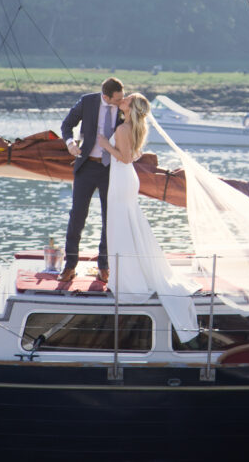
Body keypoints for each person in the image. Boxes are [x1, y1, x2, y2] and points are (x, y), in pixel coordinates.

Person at [98, 93, 199, 342]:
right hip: (126, 179)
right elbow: (132, 156)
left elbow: (123, 157)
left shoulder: (123, 128)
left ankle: (129, 279)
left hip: (122, 179)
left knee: (121, 227)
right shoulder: (134, 127)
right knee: (129, 226)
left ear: (131, 107)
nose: (123, 99)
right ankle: (130, 272)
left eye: (126, 99)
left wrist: (104, 143)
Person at [59, 77, 124, 283]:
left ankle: (104, 266)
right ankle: (70, 265)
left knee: (109, 218)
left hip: (111, 169)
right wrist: (70, 143)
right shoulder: (88, 102)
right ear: (106, 96)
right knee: (77, 216)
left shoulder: (124, 106)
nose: (121, 101)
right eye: (117, 98)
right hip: (86, 165)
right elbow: (67, 124)